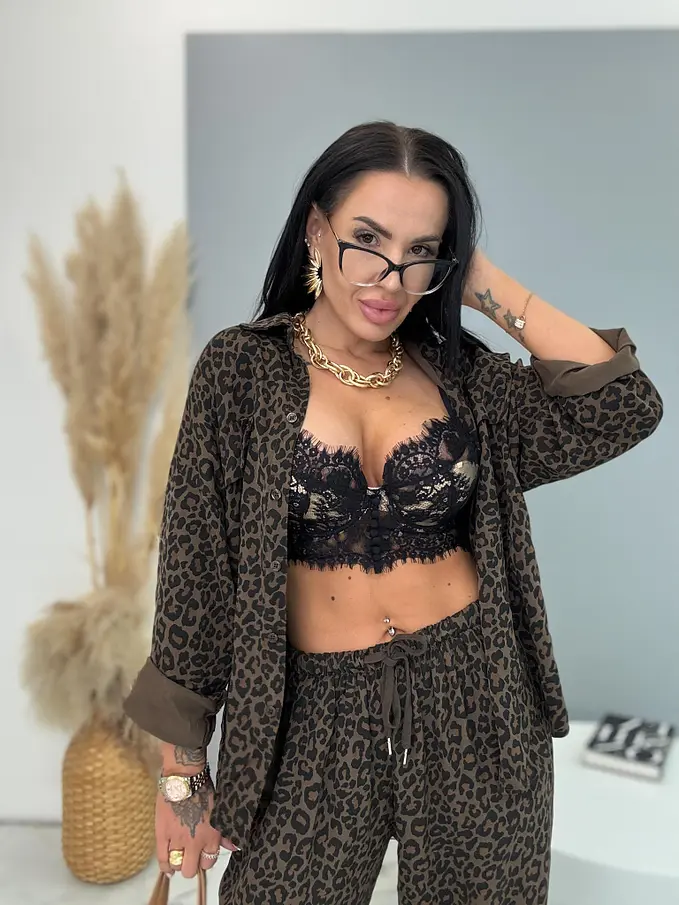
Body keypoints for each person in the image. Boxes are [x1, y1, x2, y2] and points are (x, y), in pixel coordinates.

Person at [124, 121, 663, 905]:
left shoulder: (460, 375)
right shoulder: (242, 371)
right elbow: (195, 570)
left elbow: (621, 406)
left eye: (421, 251)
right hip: (310, 712)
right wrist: (181, 774)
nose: (388, 277)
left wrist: (480, 281)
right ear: (316, 229)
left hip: (478, 693)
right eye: (367, 240)